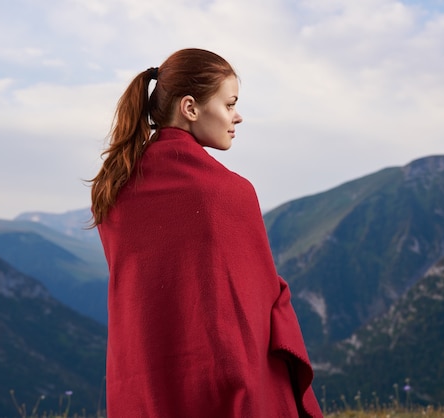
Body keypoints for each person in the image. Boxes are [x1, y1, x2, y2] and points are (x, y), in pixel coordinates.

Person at [90, 48, 322, 418]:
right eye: (229, 104)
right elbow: (253, 302)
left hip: (141, 382)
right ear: (190, 108)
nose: (237, 116)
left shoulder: (113, 189)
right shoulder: (229, 193)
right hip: (223, 385)